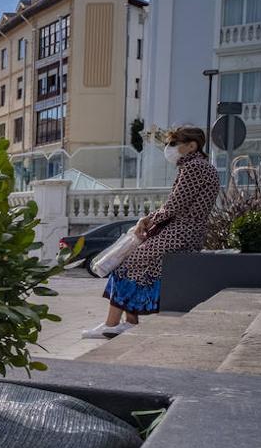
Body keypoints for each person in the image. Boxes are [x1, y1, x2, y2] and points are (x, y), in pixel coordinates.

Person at [84, 125, 220, 339]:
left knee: (125, 265)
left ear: (192, 146)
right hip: (186, 233)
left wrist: (146, 220)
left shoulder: (194, 167)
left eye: (174, 143)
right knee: (133, 268)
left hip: (179, 232)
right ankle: (127, 322)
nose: (168, 148)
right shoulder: (202, 166)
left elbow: (175, 205)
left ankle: (114, 324)